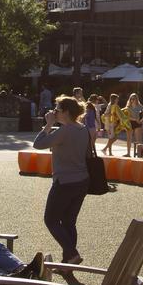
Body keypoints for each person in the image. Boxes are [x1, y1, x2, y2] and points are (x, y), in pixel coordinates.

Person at [33, 96, 91, 269]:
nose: (54, 112)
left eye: (57, 109)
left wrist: (49, 124)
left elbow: (38, 144)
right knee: (68, 221)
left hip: (64, 181)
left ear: (66, 112)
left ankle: (71, 254)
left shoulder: (65, 130)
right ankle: (68, 262)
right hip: (82, 181)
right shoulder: (83, 129)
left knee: (50, 219)